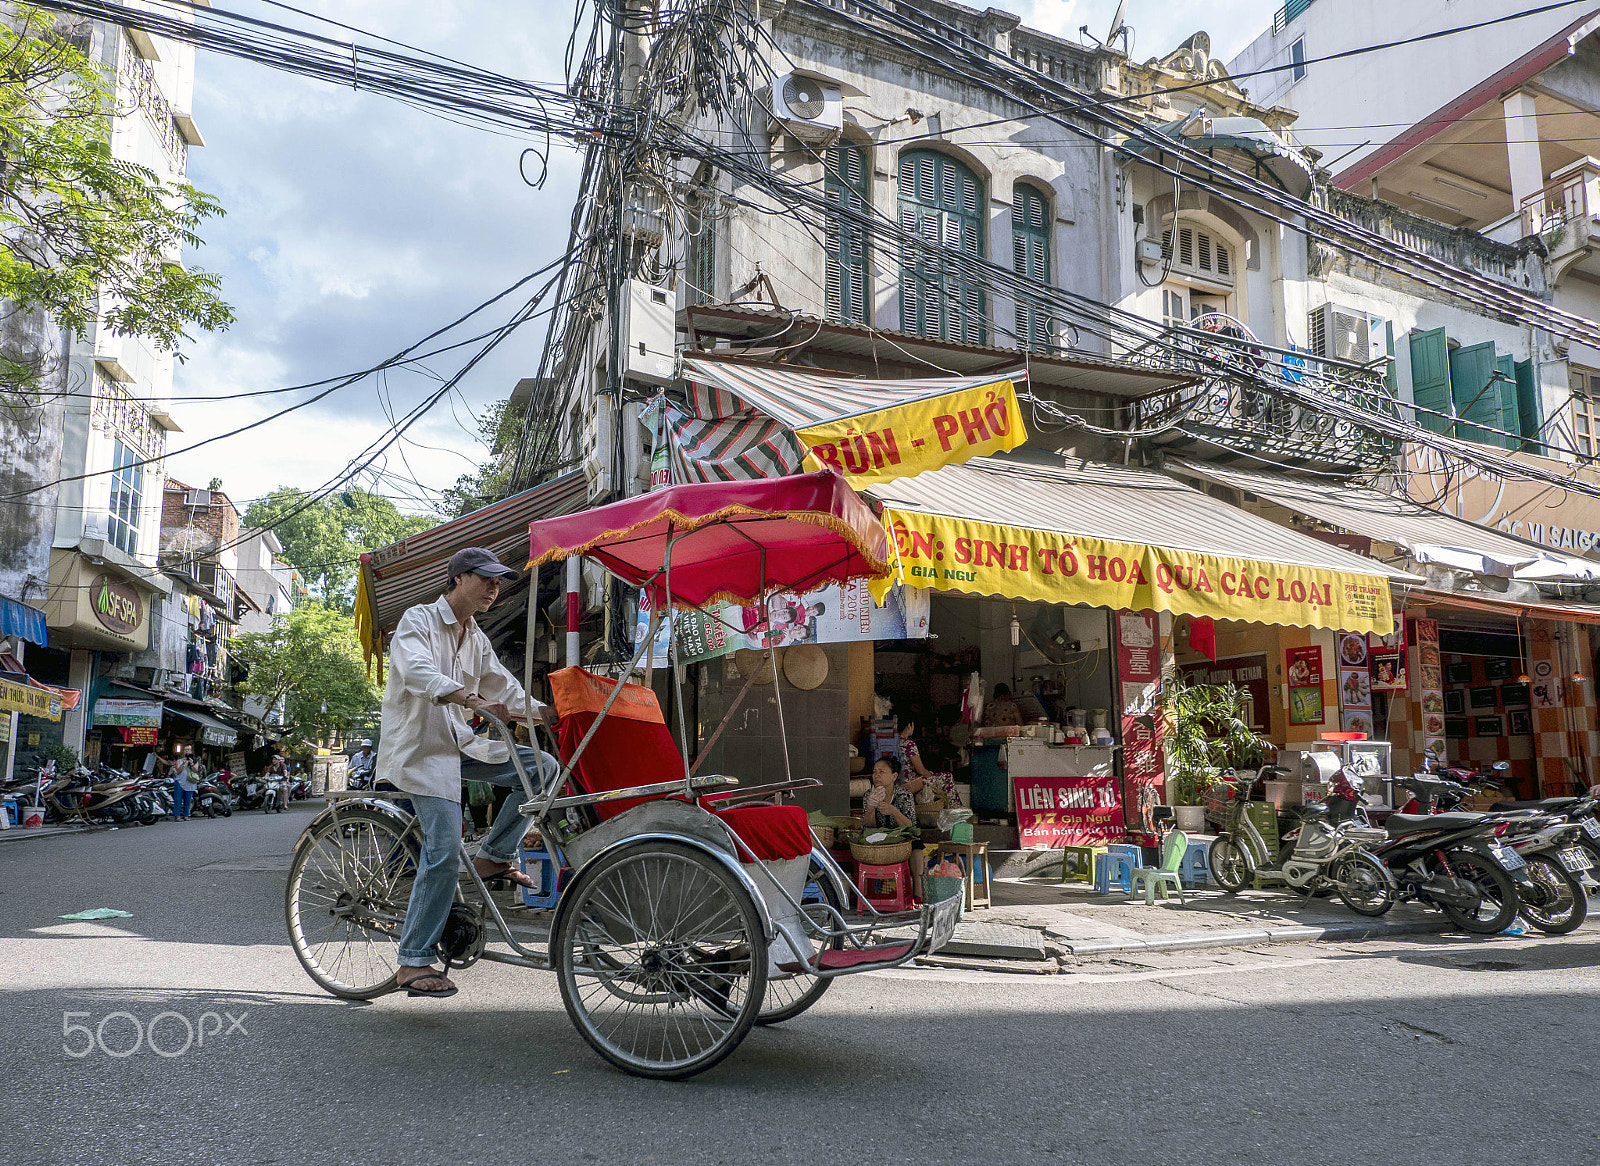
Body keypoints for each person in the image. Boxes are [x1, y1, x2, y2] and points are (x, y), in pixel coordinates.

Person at [381, 546, 562, 1000]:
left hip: (459, 745)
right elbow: (416, 671)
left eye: (498, 581)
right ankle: (413, 959)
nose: (494, 588)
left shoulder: (475, 637)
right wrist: (468, 698)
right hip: (422, 752)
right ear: (459, 578)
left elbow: (503, 686)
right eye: (486, 579)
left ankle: (494, 854)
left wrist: (546, 712)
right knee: (442, 851)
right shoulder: (418, 620)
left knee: (543, 767)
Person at [862, 754, 925, 896]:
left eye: (882, 772)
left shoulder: (904, 795)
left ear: (894, 776)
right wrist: (871, 806)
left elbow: (911, 825)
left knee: (916, 844)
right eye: (874, 772)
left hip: (900, 838)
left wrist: (894, 811)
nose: (876, 775)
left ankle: (918, 889)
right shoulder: (869, 795)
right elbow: (868, 825)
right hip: (879, 838)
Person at [899, 721, 962, 808]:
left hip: (898, 783)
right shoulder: (909, 744)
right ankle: (956, 810)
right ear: (910, 726)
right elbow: (921, 770)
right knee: (947, 777)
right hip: (911, 784)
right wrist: (930, 774)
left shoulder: (893, 743)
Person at [170, 751, 197, 820]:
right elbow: (178, 771)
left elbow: (195, 770)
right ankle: (177, 815)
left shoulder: (194, 761)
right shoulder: (179, 761)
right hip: (179, 782)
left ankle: (186, 815)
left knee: (188, 799)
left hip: (189, 783)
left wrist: (191, 764)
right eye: (186, 750)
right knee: (178, 799)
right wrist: (183, 764)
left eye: (189, 750)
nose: (187, 752)